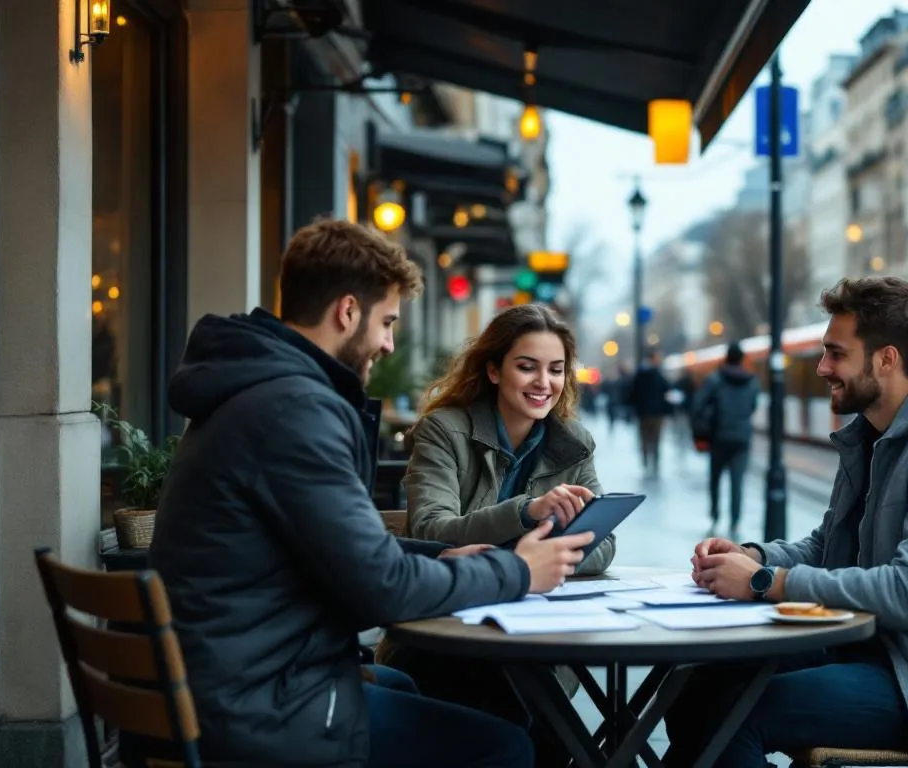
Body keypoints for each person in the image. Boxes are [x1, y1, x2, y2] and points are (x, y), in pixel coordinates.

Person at [149, 218, 594, 767]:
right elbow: (378, 590)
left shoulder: (258, 390)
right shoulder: (294, 411)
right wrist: (519, 572)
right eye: (386, 321)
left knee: (407, 689)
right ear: (348, 311)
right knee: (504, 747)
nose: (387, 343)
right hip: (260, 707)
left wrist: (440, 555)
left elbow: (346, 549)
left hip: (233, 676)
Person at [665, 276, 908, 767]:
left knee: (734, 713)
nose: (822, 368)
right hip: (868, 648)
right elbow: (828, 547)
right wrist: (755, 556)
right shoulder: (873, 436)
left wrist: (763, 583)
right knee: (697, 682)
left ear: (886, 359)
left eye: (836, 354)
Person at [377, 303, 614, 767]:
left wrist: (536, 561)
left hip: (538, 642)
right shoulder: (444, 430)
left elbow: (603, 544)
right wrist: (525, 519)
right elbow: (429, 530)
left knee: (554, 734)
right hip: (443, 637)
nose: (542, 383)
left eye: (556, 370)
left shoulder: (573, 443)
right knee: (528, 728)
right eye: (526, 367)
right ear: (492, 369)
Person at [690, 341, 760, 537]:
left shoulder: (715, 379)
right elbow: (753, 406)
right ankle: (735, 520)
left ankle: (715, 514)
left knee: (715, 478)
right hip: (742, 439)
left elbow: (697, 405)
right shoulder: (752, 381)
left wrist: (702, 427)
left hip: (719, 438)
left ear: (726, 357)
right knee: (737, 482)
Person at [627, 349, 673, 476]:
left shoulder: (639, 375)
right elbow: (667, 392)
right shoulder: (658, 375)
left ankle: (645, 460)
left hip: (643, 413)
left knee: (644, 438)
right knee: (656, 438)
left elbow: (632, 393)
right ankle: (655, 460)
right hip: (657, 413)